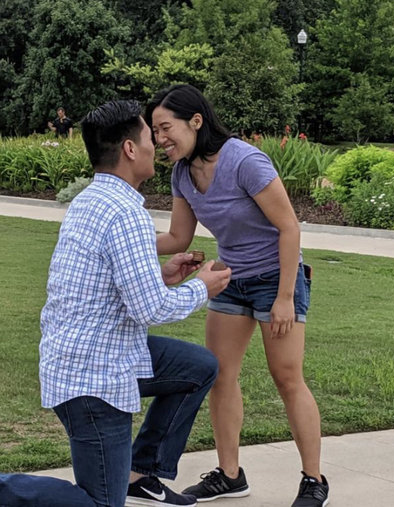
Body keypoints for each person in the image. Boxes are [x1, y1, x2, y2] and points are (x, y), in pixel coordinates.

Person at [0, 99, 232, 507]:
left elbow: (105, 285)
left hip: (93, 353)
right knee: (100, 505)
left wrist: (161, 275)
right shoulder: (125, 213)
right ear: (129, 149)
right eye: (149, 136)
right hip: (92, 378)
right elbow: (150, 311)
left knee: (198, 367)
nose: (157, 144)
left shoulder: (92, 201)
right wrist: (203, 287)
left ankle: (141, 471)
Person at [146, 84, 329, 507]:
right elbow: (178, 237)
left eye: (165, 127)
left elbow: (289, 228)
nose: (159, 140)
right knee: (219, 375)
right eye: (154, 132)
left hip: (276, 279)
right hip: (230, 278)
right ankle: (230, 475)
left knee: (287, 378)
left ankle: (314, 480)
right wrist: (119, 235)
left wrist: (285, 297)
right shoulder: (181, 174)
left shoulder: (244, 160)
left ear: (196, 120)